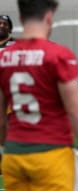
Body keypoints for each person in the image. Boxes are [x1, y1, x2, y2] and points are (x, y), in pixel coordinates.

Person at [0, 0, 78, 191]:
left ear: (20, 19)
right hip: (50, 153)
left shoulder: (4, 57)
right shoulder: (58, 55)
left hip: (14, 154)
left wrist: (4, 150)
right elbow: (76, 111)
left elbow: (1, 119)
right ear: (49, 17)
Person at [0, 14, 15, 175]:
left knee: (11, 126)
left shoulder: (15, 45)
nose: (1, 26)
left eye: (4, 23)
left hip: (11, 91)